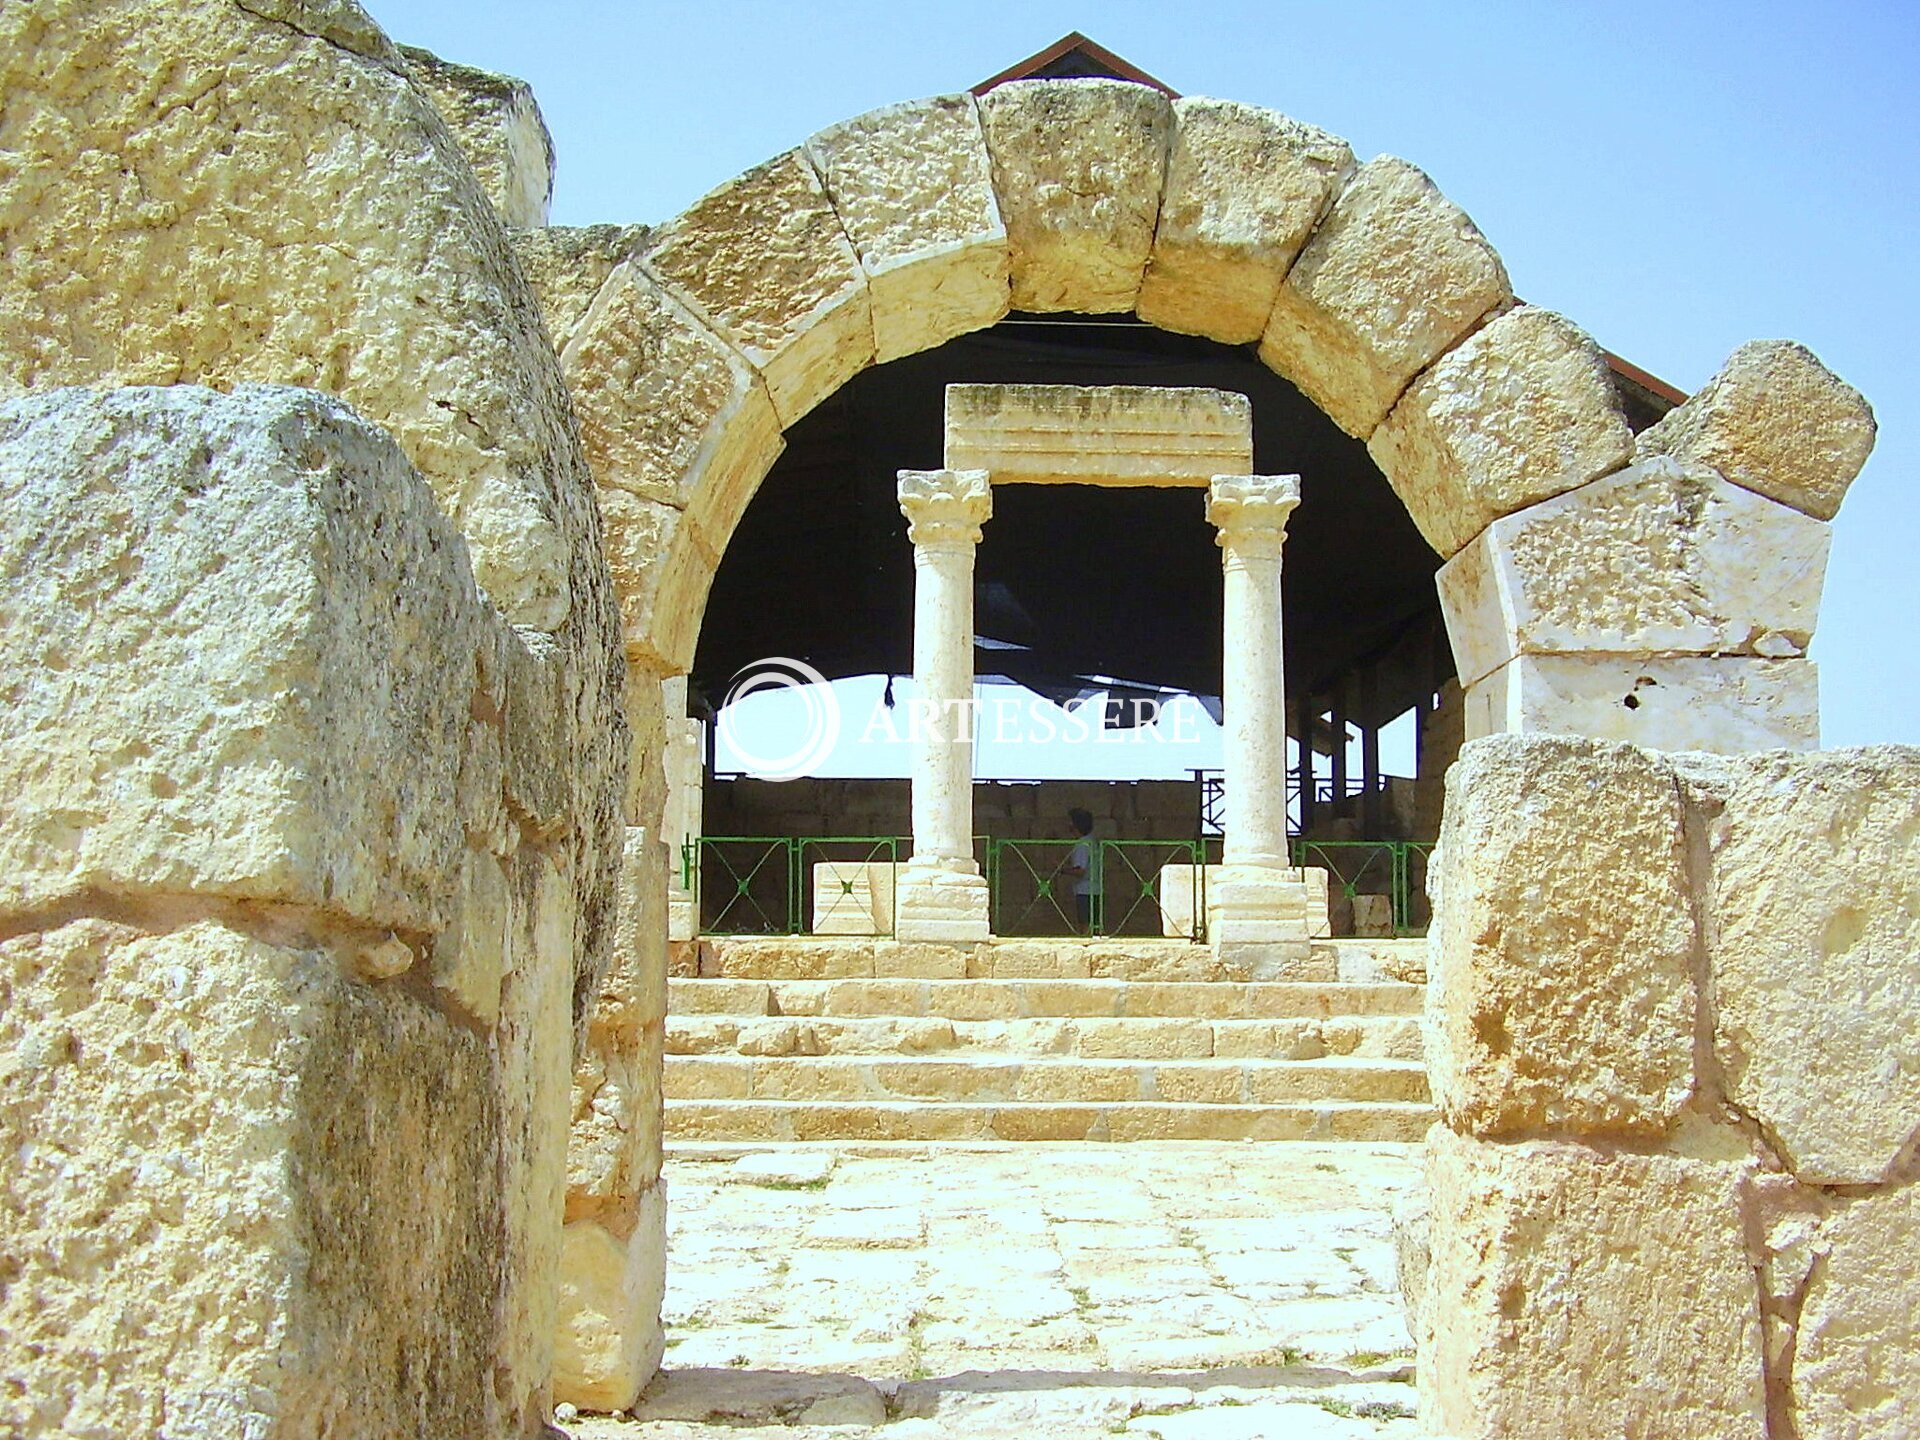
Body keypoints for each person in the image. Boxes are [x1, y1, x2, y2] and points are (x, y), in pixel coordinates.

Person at [1062, 807, 1102, 934]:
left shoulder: (1082, 845)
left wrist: (1061, 869)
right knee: (1094, 926)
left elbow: (1080, 871)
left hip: (1085, 891)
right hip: (1095, 889)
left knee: (1085, 926)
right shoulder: (1093, 841)